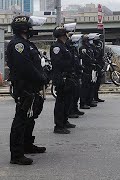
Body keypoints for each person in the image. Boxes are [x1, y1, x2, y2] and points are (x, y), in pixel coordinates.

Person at [6, 16, 47, 165]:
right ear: (24, 28)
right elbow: (25, 67)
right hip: (24, 87)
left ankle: (27, 145)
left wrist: (44, 74)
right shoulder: (18, 45)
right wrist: (41, 77)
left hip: (31, 86)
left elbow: (35, 64)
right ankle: (16, 155)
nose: (32, 28)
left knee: (30, 117)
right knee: (21, 119)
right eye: (29, 26)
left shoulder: (26, 43)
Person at [51, 26, 77, 134]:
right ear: (62, 35)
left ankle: (65, 121)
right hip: (62, 77)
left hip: (67, 76)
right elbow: (57, 63)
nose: (68, 35)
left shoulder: (64, 46)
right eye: (66, 33)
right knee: (61, 102)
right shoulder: (56, 47)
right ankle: (59, 125)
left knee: (67, 100)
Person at [66, 36, 85, 118]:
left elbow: (77, 61)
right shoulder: (69, 50)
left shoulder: (74, 51)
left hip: (76, 74)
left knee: (77, 94)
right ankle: (70, 111)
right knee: (72, 95)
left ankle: (75, 109)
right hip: (71, 75)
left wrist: (80, 68)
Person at [79, 35, 97, 109]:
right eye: (87, 40)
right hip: (85, 69)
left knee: (90, 86)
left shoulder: (90, 47)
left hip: (91, 69)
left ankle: (89, 100)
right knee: (85, 87)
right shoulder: (82, 48)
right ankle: (83, 103)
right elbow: (83, 59)